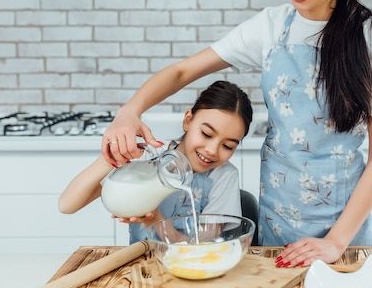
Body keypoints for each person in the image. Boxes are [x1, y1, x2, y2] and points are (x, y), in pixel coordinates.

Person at [100, 0, 372, 265]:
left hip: (349, 230)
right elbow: (183, 71)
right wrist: (129, 111)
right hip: (280, 218)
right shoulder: (270, 27)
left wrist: (336, 241)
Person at [59, 80, 253, 244]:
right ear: (188, 120)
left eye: (228, 146)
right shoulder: (147, 158)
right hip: (140, 270)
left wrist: (155, 220)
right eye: (206, 134)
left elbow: (200, 247)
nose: (212, 150)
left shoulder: (223, 176)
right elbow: (67, 205)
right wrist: (112, 156)